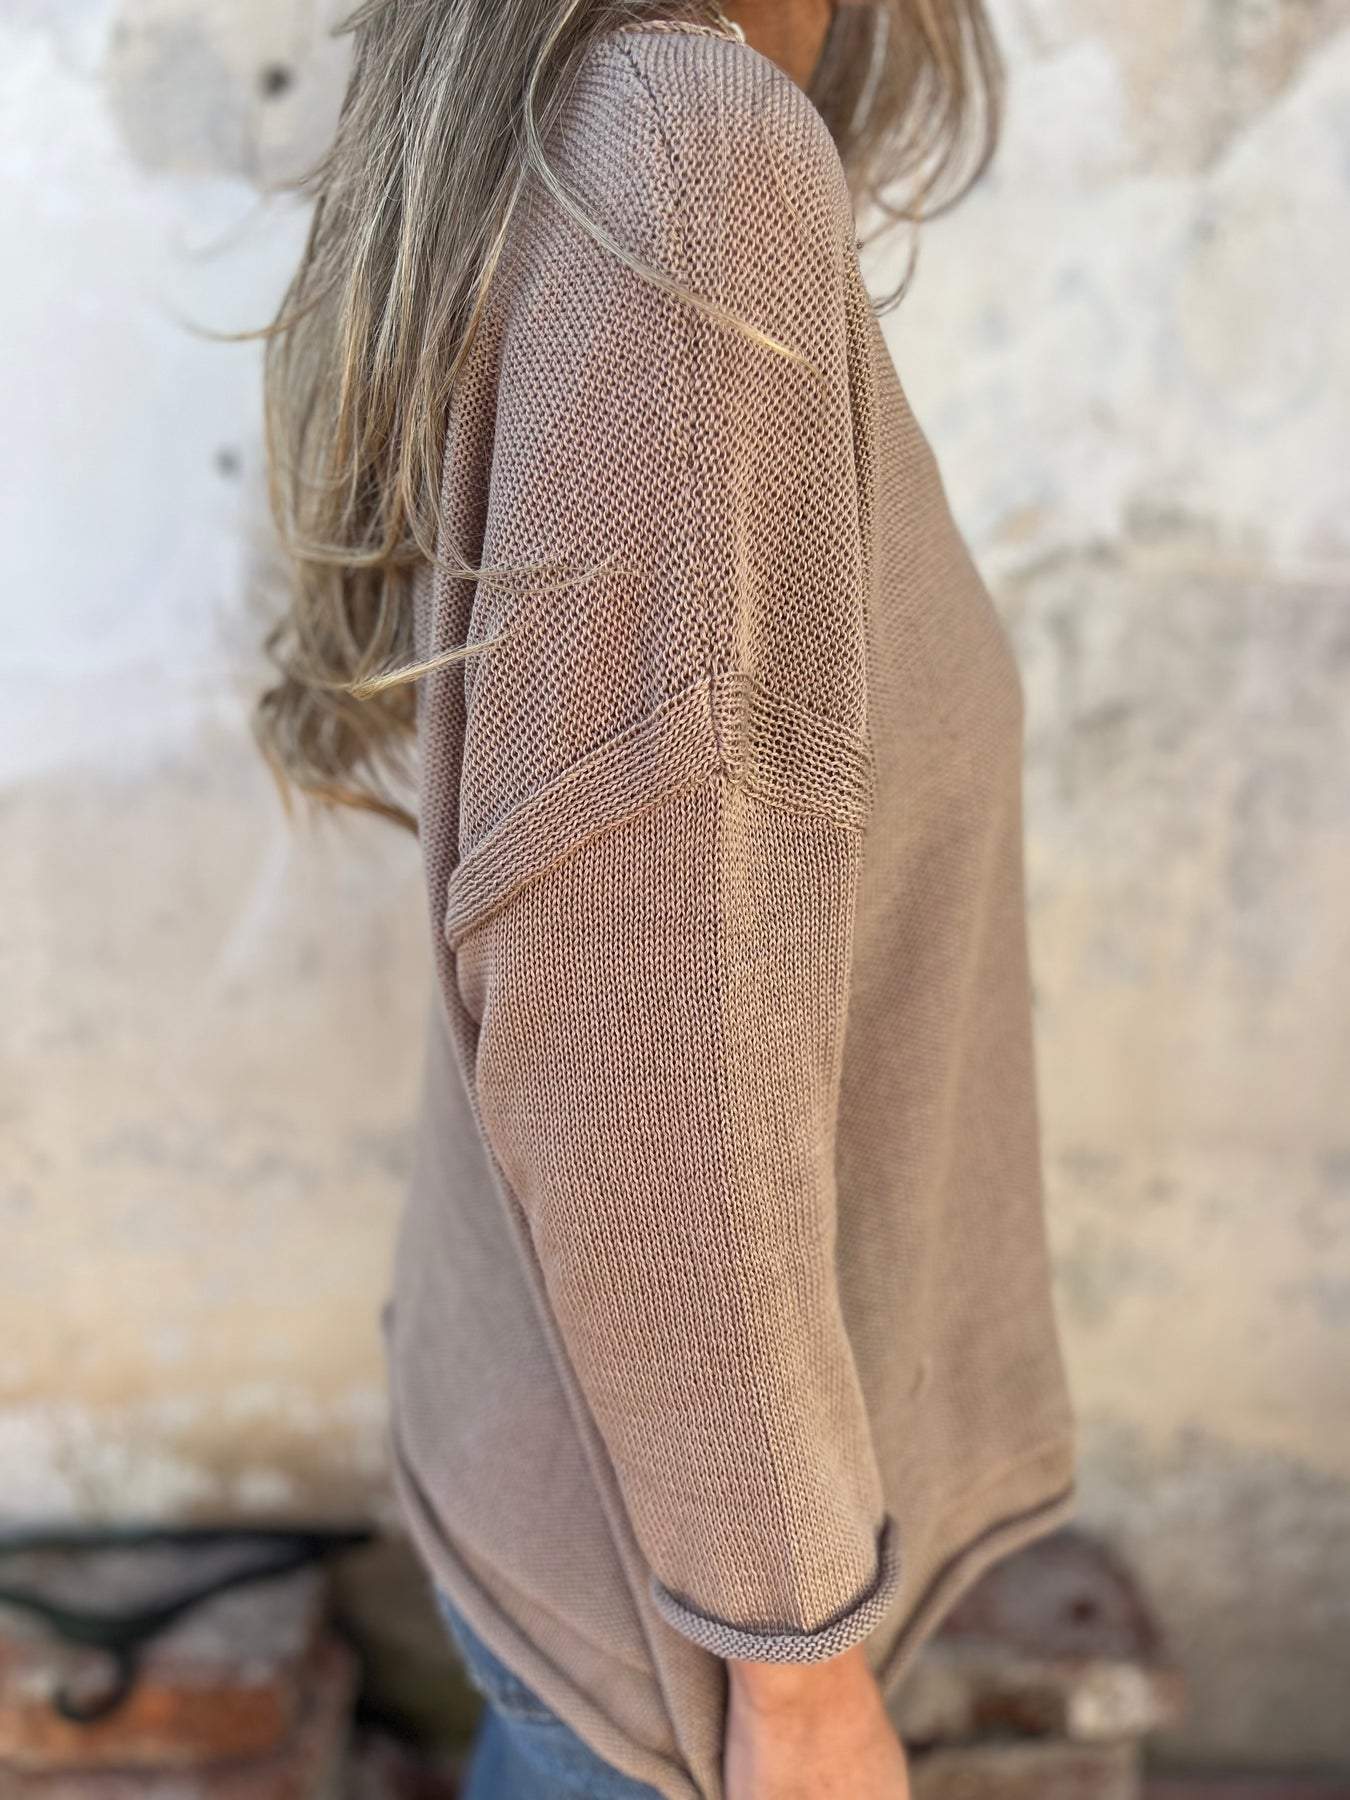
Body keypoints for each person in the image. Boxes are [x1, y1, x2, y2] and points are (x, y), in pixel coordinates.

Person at [254, 1, 1076, 1795]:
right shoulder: (684, 165)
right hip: (680, 1642)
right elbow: (649, 1055)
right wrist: (795, 1671)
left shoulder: (608, 129)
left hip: (593, 1513)